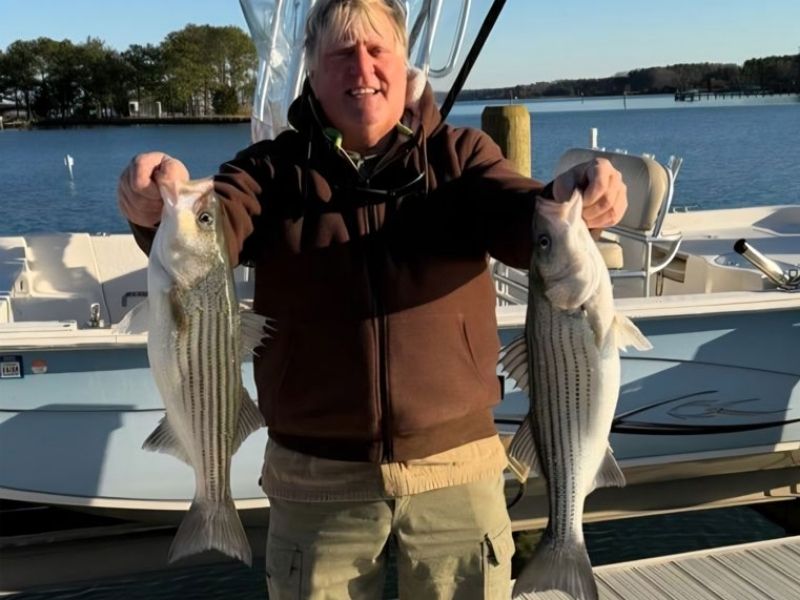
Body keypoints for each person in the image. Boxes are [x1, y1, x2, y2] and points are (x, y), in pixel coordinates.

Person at [118, 1, 627, 597]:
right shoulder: (270, 172)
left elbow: (522, 215)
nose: (362, 66)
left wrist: (568, 200)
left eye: (377, 49)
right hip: (315, 481)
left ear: (404, 63)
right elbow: (214, 225)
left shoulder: (460, 159)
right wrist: (156, 212)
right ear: (312, 72)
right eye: (340, 53)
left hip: (456, 468)